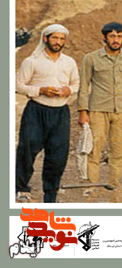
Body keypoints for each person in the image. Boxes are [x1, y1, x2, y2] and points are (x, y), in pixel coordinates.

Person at [15, 24, 79, 203]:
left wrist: (68, 90)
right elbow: (18, 85)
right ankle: (20, 188)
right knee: (27, 151)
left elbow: (76, 83)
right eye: (54, 38)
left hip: (60, 113)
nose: (58, 42)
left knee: (58, 155)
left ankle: (51, 195)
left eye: (61, 39)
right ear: (46, 38)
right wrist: (40, 90)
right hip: (36, 111)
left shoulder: (69, 62)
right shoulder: (32, 61)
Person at [77, 22, 122, 190]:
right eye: (112, 36)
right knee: (93, 148)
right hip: (98, 110)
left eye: (119, 36)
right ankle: (90, 185)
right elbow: (83, 86)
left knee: (121, 150)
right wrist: (83, 111)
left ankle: (114, 183)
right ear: (104, 37)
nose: (116, 40)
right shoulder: (91, 58)